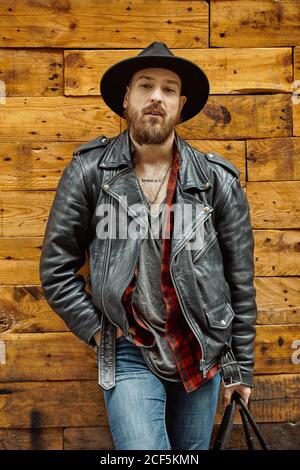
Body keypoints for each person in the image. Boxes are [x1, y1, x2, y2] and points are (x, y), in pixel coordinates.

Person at [39, 42, 257, 450]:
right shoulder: (90, 171)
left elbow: (239, 281)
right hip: (129, 349)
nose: (157, 96)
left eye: (169, 89)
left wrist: (239, 367)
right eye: (145, 85)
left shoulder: (216, 180)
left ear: (181, 104)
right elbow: (56, 269)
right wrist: (98, 332)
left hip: (200, 351)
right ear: (126, 97)